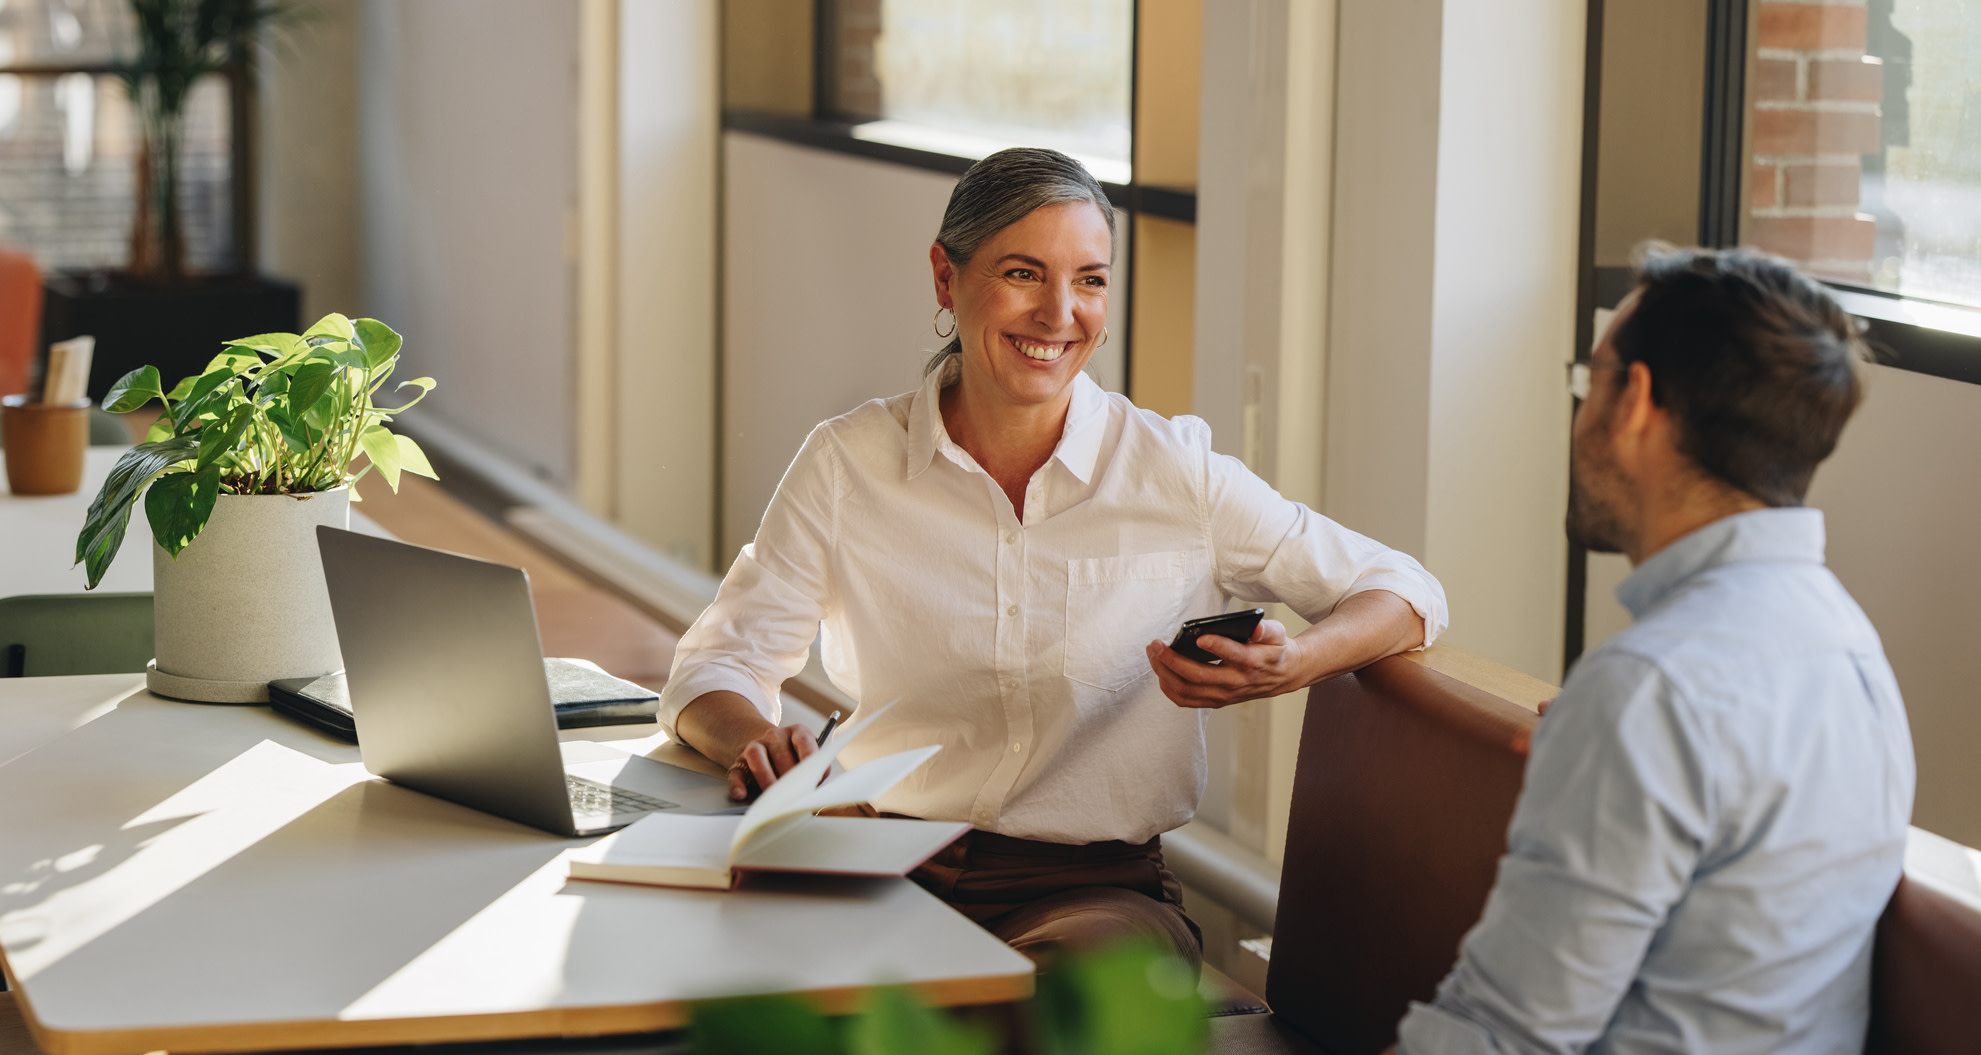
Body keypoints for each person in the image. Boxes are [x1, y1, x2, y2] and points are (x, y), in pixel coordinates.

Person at [656, 147, 1446, 968]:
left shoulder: (1173, 472)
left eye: (1091, 280)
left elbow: (1403, 589)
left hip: (1089, 894)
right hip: (874, 863)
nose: (1059, 313)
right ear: (944, 277)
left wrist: (1297, 661)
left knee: (1054, 1006)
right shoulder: (847, 463)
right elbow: (716, 662)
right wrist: (758, 740)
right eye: (1023, 273)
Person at [1394, 247, 1915, 1053]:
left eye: (1590, 383)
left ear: (1633, 402)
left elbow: (1496, 1038)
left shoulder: (1649, 689)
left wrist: (1615, 725)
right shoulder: (1851, 651)